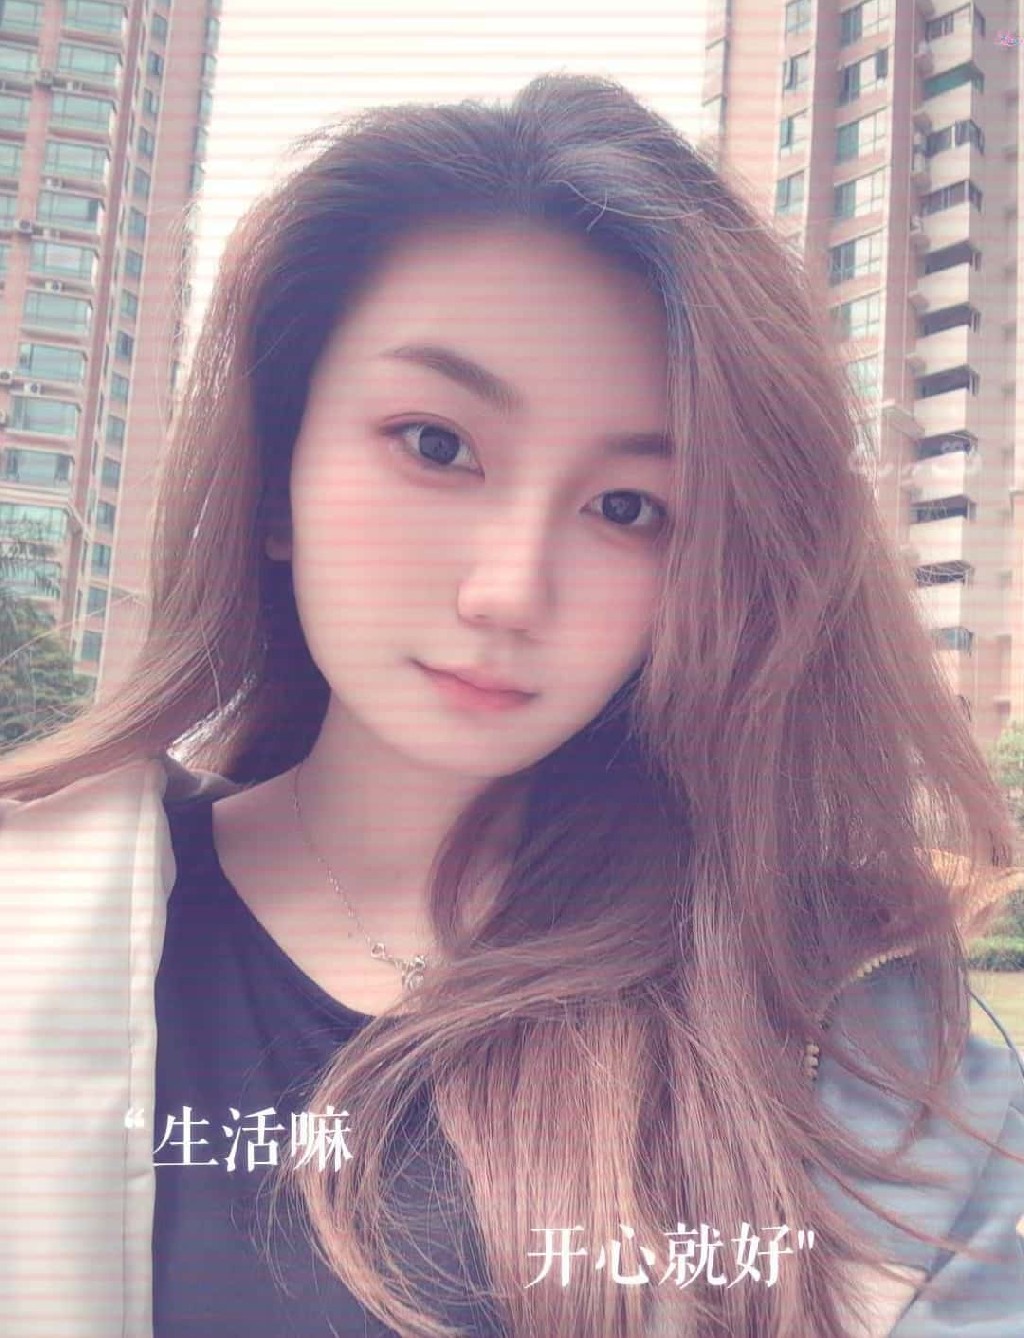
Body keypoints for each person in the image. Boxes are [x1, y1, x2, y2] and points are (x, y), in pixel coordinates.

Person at [0, 72, 1022, 1338]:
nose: (507, 590)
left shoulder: (845, 1033)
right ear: (275, 473)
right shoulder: (34, 915)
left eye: (627, 509)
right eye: (436, 444)